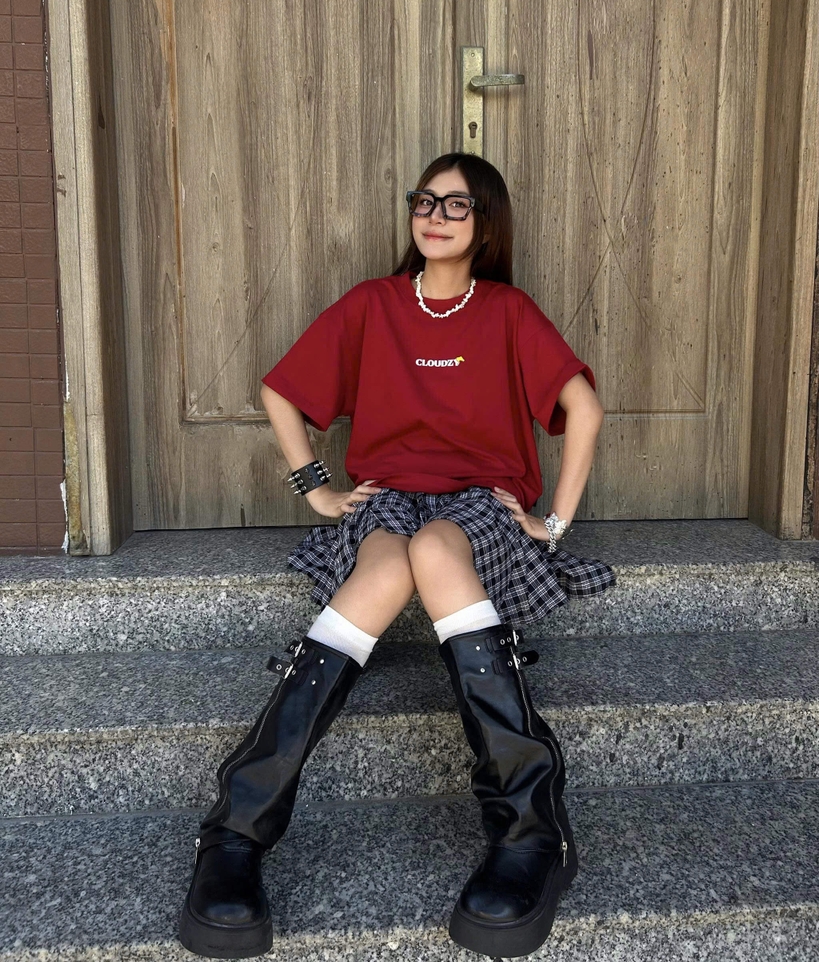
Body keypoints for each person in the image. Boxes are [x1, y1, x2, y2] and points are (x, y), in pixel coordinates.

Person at [178, 153, 615, 960]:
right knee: (385, 566)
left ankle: (531, 829)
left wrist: (552, 521)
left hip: (477, 502)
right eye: (424, 200)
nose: (434, 216)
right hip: (387, 497)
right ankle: (233, 833)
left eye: (456, 205)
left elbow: (581, 408)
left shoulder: (507, 311)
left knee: (438, 550)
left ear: (486, 224)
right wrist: (314, 487)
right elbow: (281, 390)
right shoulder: (373, 303)